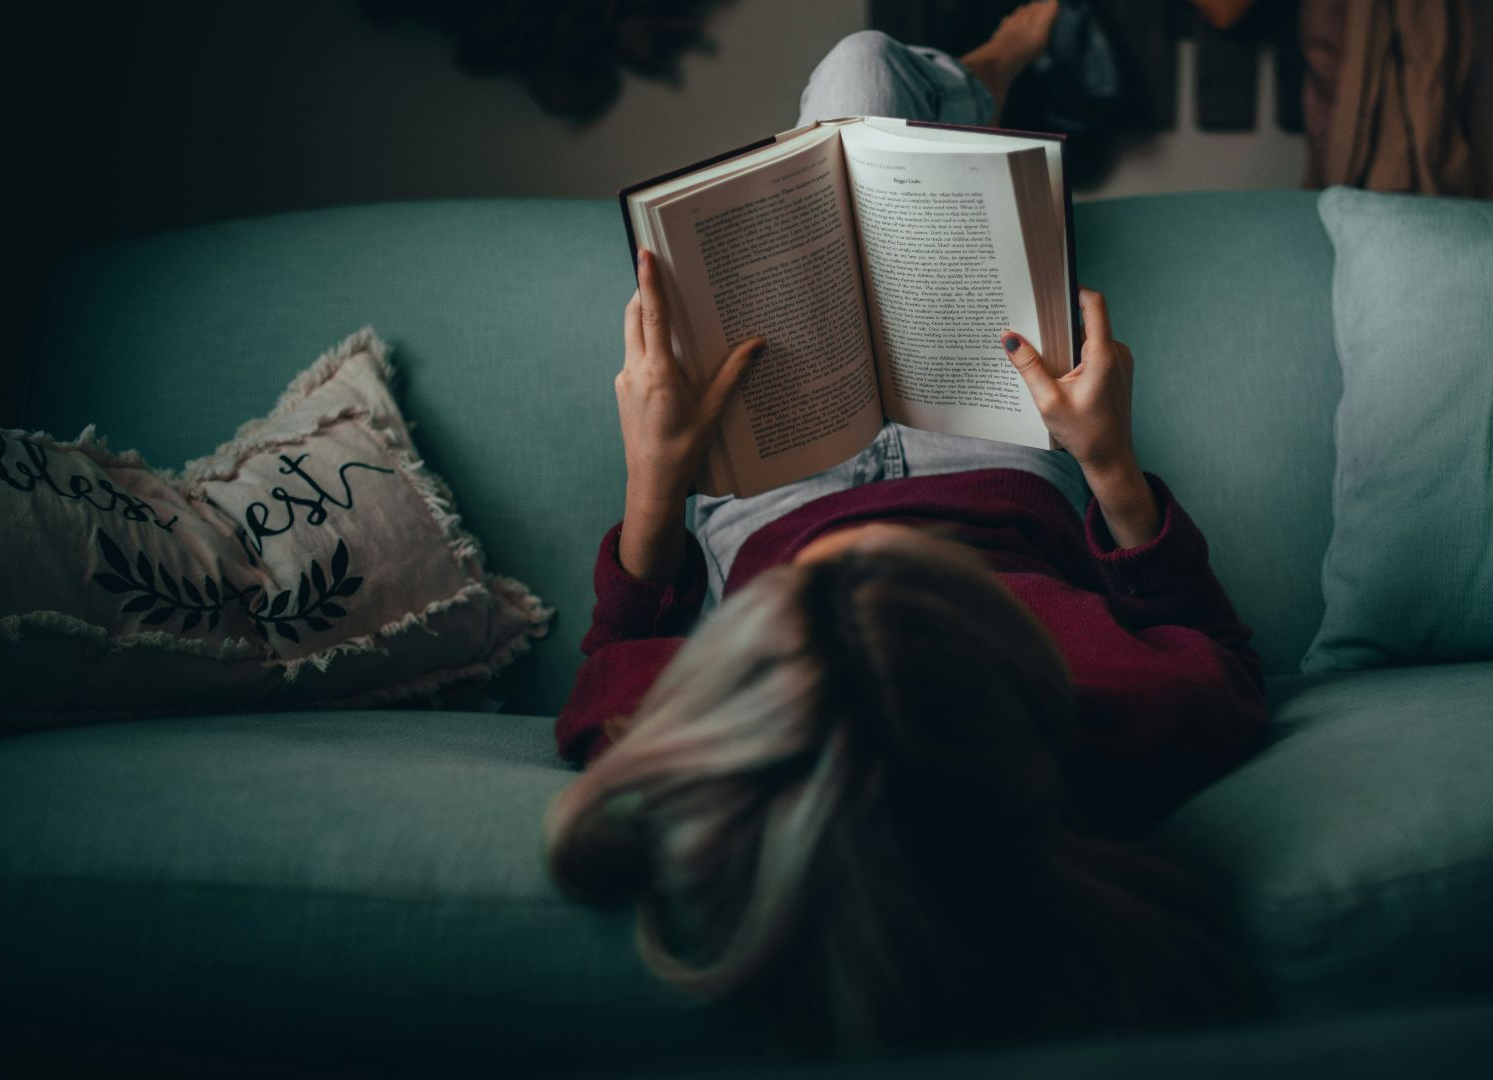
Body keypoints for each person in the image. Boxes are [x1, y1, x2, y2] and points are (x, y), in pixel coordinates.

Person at [543, 2, 1269, 1054]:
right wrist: (1107, 461)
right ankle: (1004, 66)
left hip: (770, 484)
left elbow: (612, 658)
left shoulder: (705, 755)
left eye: (814, 605)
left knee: (849, 104)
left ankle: (991, 72)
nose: (866, 557)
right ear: (994, 676)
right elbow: (1229, 659)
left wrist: (654, 478)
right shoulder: (1116, 718)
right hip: (984, 455)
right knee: (864, 82)